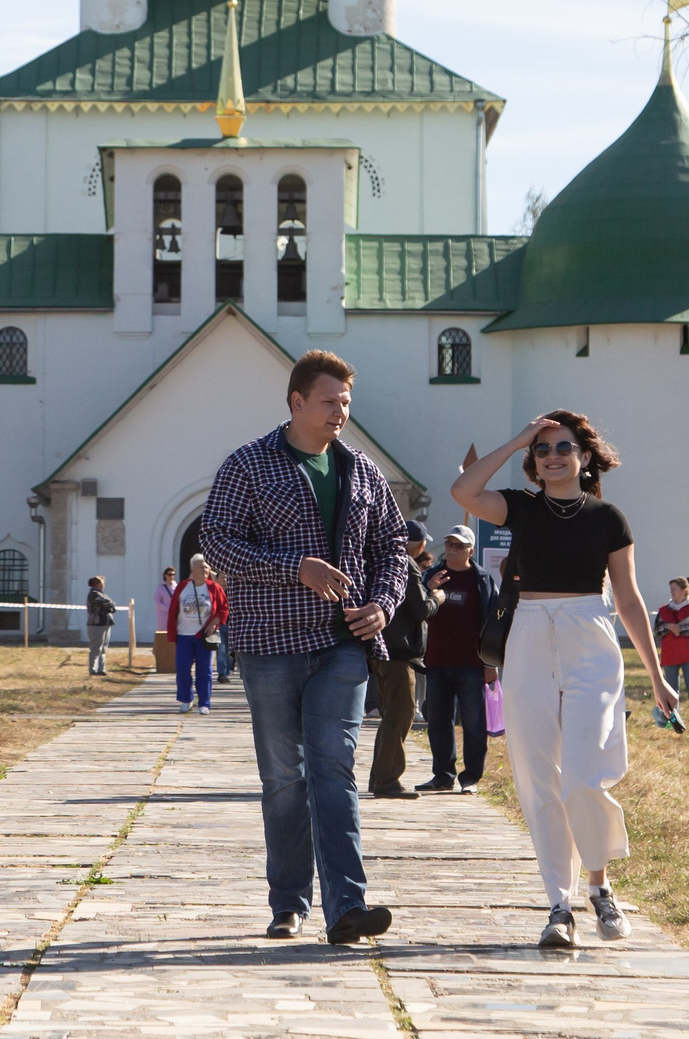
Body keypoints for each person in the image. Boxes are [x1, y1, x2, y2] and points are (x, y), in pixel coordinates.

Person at [198, 348, 410, 946]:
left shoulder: (362, 471)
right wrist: (297, 568)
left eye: (346, 402)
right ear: (296, 402)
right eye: (328, 401)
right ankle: (288, 903)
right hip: (270, 645)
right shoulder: (248, 465)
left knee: (333, 769)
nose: (340, 412)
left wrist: (384, 604)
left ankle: (348, 907)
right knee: (284, 778)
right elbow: (218, 544)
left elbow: (393, 547)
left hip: (344, 645)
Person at [451, 409, 676, 950]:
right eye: (544, 449)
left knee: (583, 772)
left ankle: (599, 884)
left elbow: (627, 598)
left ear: (584, 456)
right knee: (537, 776)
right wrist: (520, 437)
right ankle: (559, 904)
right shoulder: (520, 508)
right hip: (527, 636)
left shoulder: (609, 519)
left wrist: (658, 675)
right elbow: (464, 489)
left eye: (563, 447)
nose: (553, 456)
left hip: (589, 638)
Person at [418, 525, 495, 793]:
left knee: (474, 722)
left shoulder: (482, 580)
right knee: (438, 721)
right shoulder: (431, 575)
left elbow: (491, 624)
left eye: (459, 546)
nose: (452, 549)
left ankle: (471, 777)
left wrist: (490, 663)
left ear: (470, 551)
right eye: (449, 544)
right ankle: (442, 775)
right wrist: (428, 589)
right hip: (437, 661)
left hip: (472, 664)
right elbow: (417, 611)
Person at [367, 521, 437, 798]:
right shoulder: (406, 563)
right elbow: (420, 609)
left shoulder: (383, 559)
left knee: (391, 717)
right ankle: (387, 781)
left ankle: (381, 777)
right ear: (418, 544)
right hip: (398, 652)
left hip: (383, 650)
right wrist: (436, 597)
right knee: (400, 715)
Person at [171, 554, 225, 714]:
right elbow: (173, 609)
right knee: (182, 668)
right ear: (193, 569)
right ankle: (186, 699)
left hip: (204, 637)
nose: (205, 570)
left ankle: (204, 703)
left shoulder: (214, 588)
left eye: (207, 567)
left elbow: (224, 608)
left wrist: (214, 623)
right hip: (184, 634)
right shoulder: (182, 587)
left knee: (205, 670)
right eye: (201, 567)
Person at [654, 576, 689, 731]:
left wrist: (681, 629)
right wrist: (668, 627)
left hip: (688, 652)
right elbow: (657, 629)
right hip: (670, 653)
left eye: (674, 588)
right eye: (671, 588)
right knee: (671, 688)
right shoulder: (664, 610)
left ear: (684, 590)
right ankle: (672, 719)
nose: (672, 592)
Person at [85, 575, 116, 676]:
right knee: (96, 647)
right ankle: (93, 669)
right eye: (103, 583)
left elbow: (111, 604)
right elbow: (108, 603)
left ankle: (101, 669)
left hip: (105, 623)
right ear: (98, 584)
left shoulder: (101, 594)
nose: (104, 585)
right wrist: (110, 604)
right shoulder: (93, 594)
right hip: (96, 624)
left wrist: (111, 604)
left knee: (103, 648)